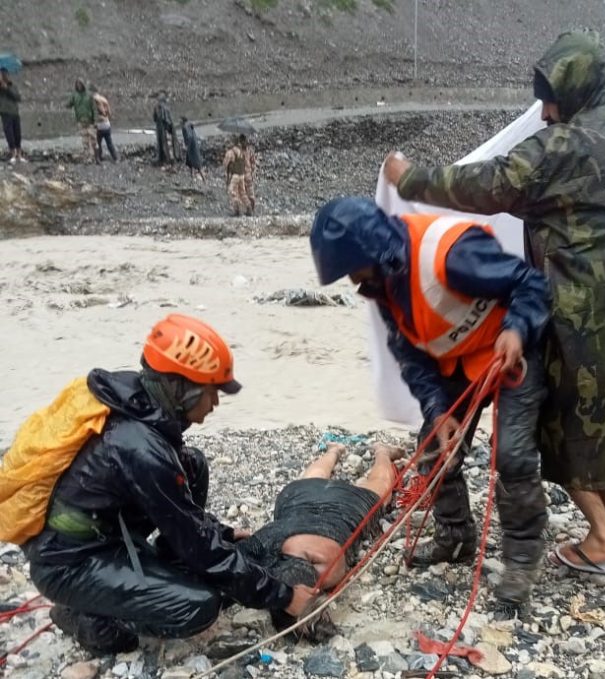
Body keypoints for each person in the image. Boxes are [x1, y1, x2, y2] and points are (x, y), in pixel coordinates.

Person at [383, 30, 605, 575]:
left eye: (551, 97)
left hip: (579, 303)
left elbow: (487, 184)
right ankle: (597, 534)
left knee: (567, 415)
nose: (545, 110)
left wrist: (409, 178)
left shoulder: (563, 147)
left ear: (575, 93)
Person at [15, 314, 315, 655]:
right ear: (181, 388)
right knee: (199, 606)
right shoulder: (139, 447)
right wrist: (285, 596)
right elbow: (203, 548)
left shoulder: (140, 404)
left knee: (192, 465)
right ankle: (91, 618)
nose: (216, 404)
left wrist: (219, 532)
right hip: (69, 563)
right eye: (212, 392)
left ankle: (167, 568)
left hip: (103, 532)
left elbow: (175, 507)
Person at [310, 197, 552, 609]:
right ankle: (455, 537)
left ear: (374, 252)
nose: (352, 279)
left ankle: (522, 559)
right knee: (434, 453)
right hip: (457, 366)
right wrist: (439, 412)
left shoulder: (451, 254)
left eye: (353, 268)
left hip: (510, 353)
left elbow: (531, 284)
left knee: (512, 456)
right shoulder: (384, 285)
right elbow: (412, 357)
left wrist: (515, 329)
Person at [239, 441, 404, 641]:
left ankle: (381, 453)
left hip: (348, 508)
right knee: (312, 479)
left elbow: (307, 609)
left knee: (379, 489)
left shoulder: (329, 573)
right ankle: (335, 450)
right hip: (300, 497)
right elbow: (235, 556)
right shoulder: (267, 544)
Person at [66, 78, 97, 162]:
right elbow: (69, 104)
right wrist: (67, 103)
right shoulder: (74, 95)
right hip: (80, 120)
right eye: (77, 85)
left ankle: (94, 155)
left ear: (83, 85)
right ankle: (87, 155)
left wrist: (95, 120)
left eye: (80, 84)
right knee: (85, 139)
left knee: (93, 138)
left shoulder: (89, 95)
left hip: (90, 120)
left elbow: (94, 108)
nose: (79, 86)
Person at [0, 66, 24, 163]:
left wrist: (7, 89)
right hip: (5, 113)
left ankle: (19, 154)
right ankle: (12, 153)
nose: (5, 76)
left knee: (17, 133)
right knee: (9, 133)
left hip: (14, 112)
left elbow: (18, 97)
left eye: (5, 74)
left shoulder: (12, 86)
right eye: (2, 75)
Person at [89, 84, 118, 162]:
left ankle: (99, 157)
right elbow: (109, 113)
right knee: (109, 143)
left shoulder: (95, 100)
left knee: (97, 143)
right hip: (107, 124)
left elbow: (97, 112)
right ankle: (115, 158)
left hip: (99, 126)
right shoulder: (104, 99)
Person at [222, 138, 249, 216]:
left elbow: (225, 164)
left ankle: (236, 209)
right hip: (242, 174)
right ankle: (248, 207)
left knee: (232, 192)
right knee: (242, 192)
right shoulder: (241, 151)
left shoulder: (230, 152)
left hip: (235, 175)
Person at [153, 94, 179, 166]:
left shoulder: (165, 109)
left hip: (164, 129)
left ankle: (170, 159)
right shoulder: (158, 108)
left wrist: (168, 130)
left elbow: (168, 121)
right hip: (160, 128)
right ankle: (162, 158)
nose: (157, 102)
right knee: (161, 143)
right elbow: (155, 118)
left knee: (167, 145)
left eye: (158, 101)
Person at [181, 116, 205, 181]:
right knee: (190, 163)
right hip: (194, 146)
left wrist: (186, 145)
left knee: (197, 164)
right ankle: (192, 177)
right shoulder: (189, 125)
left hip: (191, 148)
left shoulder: (185, 127)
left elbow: (189, 137)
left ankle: (204, 180)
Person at [239, 133, 258, 213]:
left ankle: (251, 209)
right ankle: (249, 209)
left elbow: (253, 162)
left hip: (246, 174)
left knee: (249, 194)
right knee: (246, 193)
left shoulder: (246, 151)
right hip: (243, 174)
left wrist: (253, 172)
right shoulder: (241, 151)